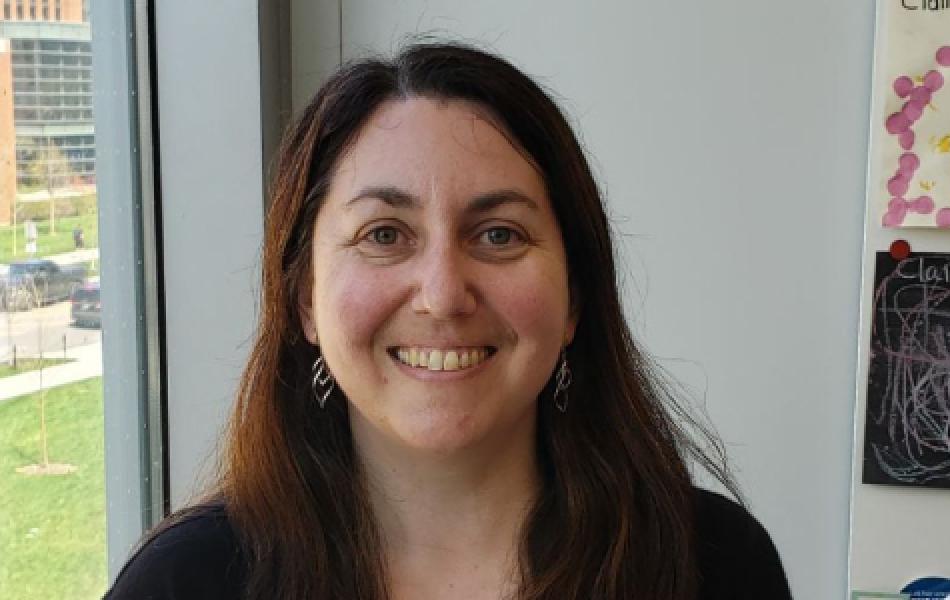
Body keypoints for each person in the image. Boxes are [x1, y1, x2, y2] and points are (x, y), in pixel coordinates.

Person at [105, 42, 791, 600]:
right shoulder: (184, 583)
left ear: (575, 296)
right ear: (306, 299)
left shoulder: (715, 566)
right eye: (383, 235)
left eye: (498, 235)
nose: (442, 294)